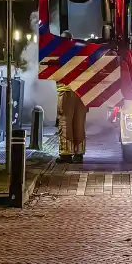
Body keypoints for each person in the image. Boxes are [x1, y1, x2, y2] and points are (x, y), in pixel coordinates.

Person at [56, 29, 87, 163]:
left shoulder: (59, 53)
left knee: (65, 122)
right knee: (79, 123)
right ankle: (79, 153)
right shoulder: (80, 52)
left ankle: (66, 154)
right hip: (80, 92)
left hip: (66, 92)